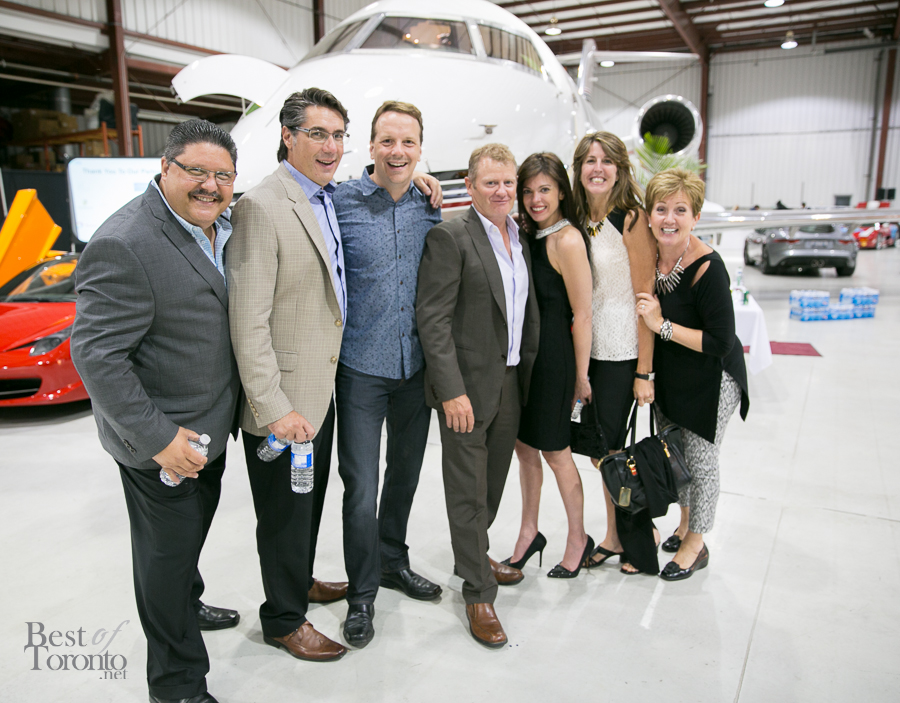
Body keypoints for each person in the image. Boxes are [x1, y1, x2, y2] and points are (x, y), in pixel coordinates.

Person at [71, 119, 242, 703]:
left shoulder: (219, 225)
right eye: (196, 171)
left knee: (186, 542)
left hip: (209, 428)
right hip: (162, 444)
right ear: (165, 168)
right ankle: (177, 685)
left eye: (223, 175)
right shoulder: (125, 242)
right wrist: (159, 439)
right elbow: (96, 355)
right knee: (164, 562)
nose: (211, 185)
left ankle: (189, 603)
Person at [227, 88, 351, 662]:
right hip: (285, 402)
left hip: (320, 391)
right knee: (282, 515)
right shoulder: (261, 205)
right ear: (287, 136)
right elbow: (247, 321)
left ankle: (297, 581)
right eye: (318, 134)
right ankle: (282, 618)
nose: (331, 146)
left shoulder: (325, 197)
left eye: (338, 135)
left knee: (308, 503)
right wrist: (274, 408)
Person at [417, 143, 540, 648]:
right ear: (469, 186)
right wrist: (451, 391)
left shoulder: (520, 236)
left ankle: (474, 554)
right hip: (466, 389)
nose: (502, 191)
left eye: (508, 182)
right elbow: (433, 320)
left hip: (510, 381)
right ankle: (478, 592)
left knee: (490, 486)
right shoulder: (451, 236)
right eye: (491, 183)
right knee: (467, 490)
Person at [332, 101, 443, 648]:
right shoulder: (340, 203)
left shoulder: (430, 205)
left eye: (408, 142)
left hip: (414, 368)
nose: (398, 152)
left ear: (420, 149)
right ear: (371, 145)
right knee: (361, 488)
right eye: (388, 141)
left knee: (405, 474)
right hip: (360, 369)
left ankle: (393, 560)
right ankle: (361, 594)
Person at [635, 168, 749, 581]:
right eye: (661, 209)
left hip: (712, 378)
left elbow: (720, 341)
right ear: (649, 215)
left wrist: (661, 325)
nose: (669, 219)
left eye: (680, 210)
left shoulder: (708, 268)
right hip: (673, 375)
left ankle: (696, 543)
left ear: (696, 217)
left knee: (701, 462)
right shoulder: (650, 255)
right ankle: (684, 524)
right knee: (677, 455)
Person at [502, 153, 594, 577]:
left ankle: (578, 538)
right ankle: (529, 532)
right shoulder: (526, 234)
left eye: (545, 190)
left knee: (557, 453)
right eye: (528, 191)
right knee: (525, 450)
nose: (536, 199)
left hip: (555, 362)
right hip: (525, 361)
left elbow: (583, 315)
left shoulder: (567, 240)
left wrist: (581, 376)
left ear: (561, 192)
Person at [570, 132, 659, 575]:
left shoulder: (631, 219)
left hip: (622, 351)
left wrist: (645, 371)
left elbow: (646, 298)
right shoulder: (579, 217)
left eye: (606, 160)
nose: (598, 168)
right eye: (589, 160)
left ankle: (631, 539)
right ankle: (621, 533)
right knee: (601, 451)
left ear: (620, 168)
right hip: (590, 349)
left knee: (614, 453)